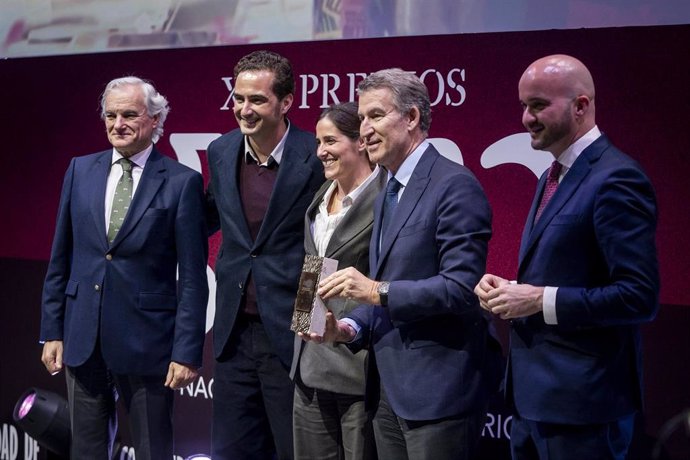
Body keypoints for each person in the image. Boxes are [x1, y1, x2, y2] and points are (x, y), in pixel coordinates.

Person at [300, 68, 502, 460]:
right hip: (387, 389)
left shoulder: (453, 185)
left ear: (411, 118)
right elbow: (386, 285)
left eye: (376, 116)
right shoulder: (388, 189)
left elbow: (461, 288)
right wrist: (348, 328)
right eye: (361, 119)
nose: (365, 129)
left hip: (438, 392)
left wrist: (376, 291)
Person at [474, 54, 659, 460]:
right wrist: (511, 291)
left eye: (538, 105)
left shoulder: (617, 178)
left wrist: (539, 300)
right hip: (533, 403)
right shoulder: (552, 175)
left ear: (581, 105)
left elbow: (638, 296)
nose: (525, 118)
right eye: (523, 106)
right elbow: (559, 270)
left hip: (584, 408)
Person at [40, 76, 209, 460]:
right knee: (86, 451)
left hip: (147, 342)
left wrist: (186, 352)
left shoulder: (182, 183)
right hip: (83, 337)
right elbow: (61, 258)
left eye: (129, 114)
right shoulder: (80, 170)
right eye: (110, 115)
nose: (118, 124)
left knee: (153, 450)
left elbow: (195, 278)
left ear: (154, 120)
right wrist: (52, 330)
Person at [205, 50, 325, 460]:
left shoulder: (317, 155)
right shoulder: (221, 151)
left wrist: (307, 322)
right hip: (234, 335)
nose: (244, 109)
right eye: (238, 98)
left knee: (294, 450)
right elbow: (210, 218)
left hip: (291, 336)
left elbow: (325, 245)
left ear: (286, 102)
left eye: (256, 100)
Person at [290, 102, 384, 460]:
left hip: (357, 368)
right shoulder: (321, 197)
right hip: (309, 365)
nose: (320, 152)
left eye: (330, 141)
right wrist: (304, 328)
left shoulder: (386, 199)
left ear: (360, 142)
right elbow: (313, 268)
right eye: (318, 142)